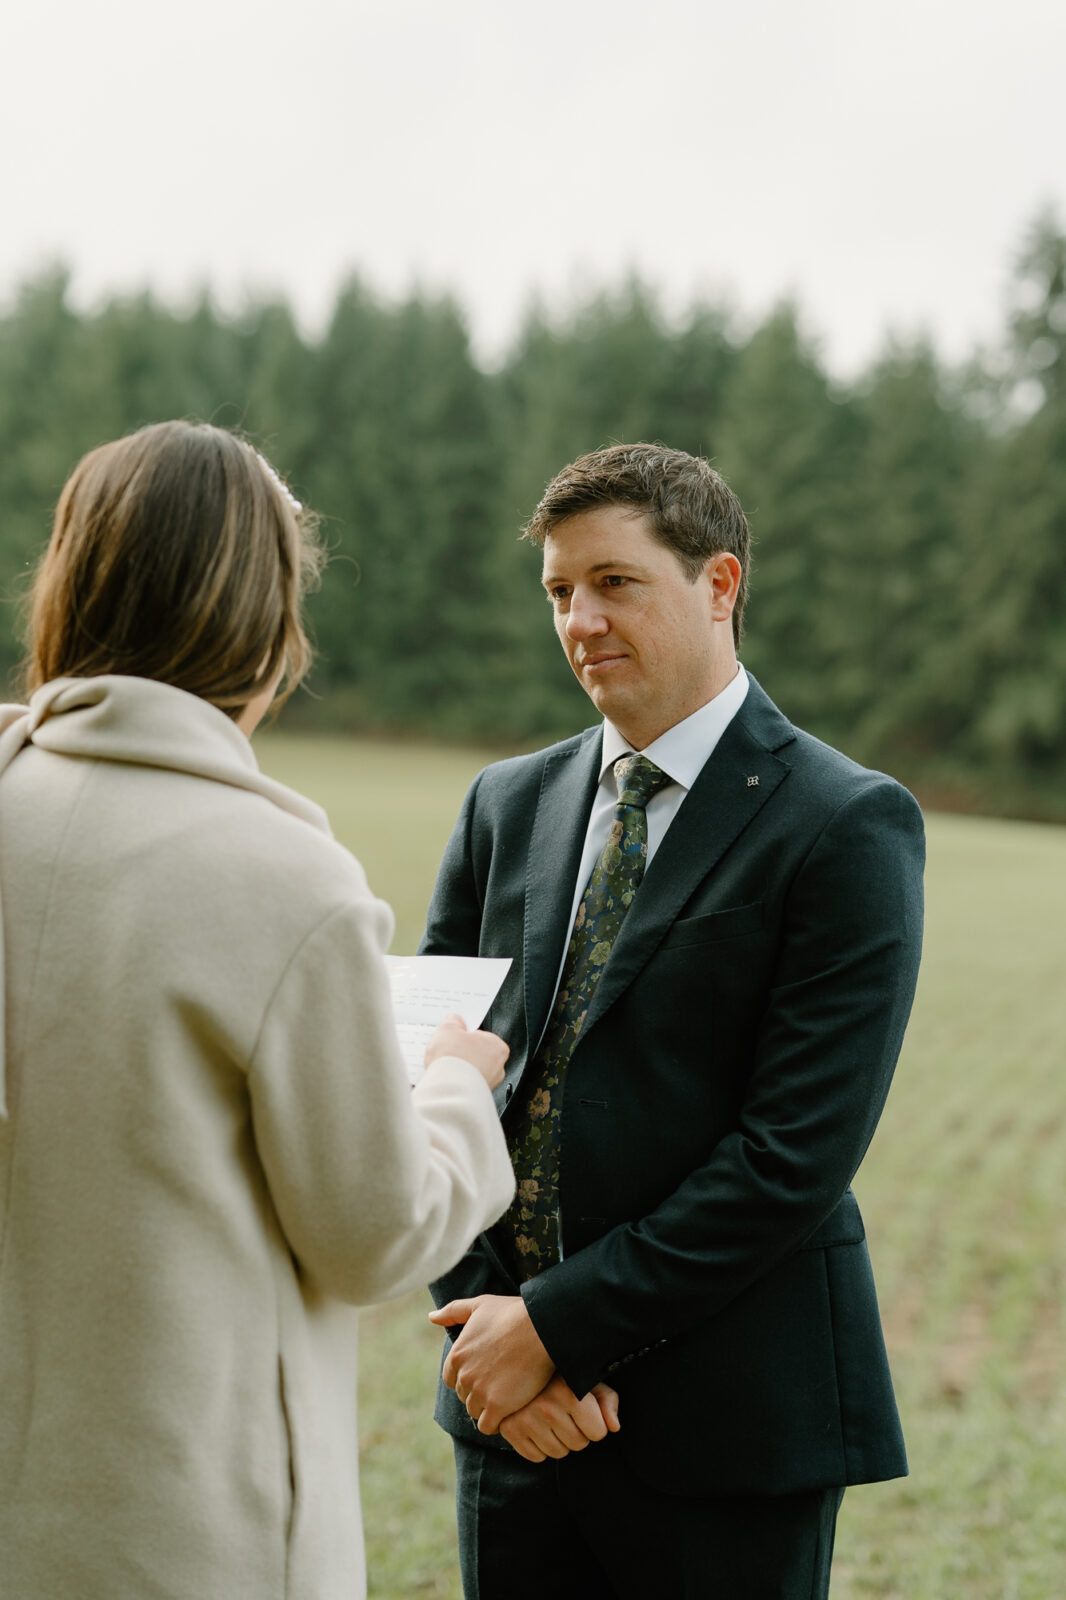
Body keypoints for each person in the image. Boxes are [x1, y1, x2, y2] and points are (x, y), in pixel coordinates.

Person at [0, 420, 515, 1600]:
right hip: (186, 1526)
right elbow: (371, 1230)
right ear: (264, 616)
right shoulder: (281, 876)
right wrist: (451, 1086)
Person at [422, 442, 925, 1599]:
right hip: (509, 1416)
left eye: (613, 582)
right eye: (558, 591)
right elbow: (428, 1084)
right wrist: (487, 1336)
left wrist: (555, 1327)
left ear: (719, 584)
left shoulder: (846, 823)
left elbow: (790, 1154)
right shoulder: (504, 803)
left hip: (727, 1426)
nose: (580, 618)